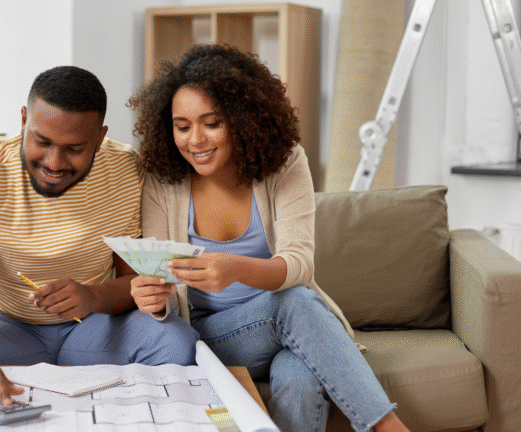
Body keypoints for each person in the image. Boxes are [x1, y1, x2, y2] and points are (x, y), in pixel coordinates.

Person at [128, 44, 410, 432]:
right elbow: (163, 285)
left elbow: (299, 264)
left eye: (212, 123)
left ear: (243, 120)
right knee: (291, 303)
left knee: (298, 379)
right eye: (182, 126)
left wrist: (236, 268)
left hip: (290, 328)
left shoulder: (285, 163)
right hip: (215, 335)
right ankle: (389, 426)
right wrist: (152, 300)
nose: (195, 140)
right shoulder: (163, 181)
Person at [0, 65, 199, 432]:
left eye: (74, 149)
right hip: (7, 325)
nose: (54, 163)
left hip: (95, 325)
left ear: (99, 137)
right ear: (24, 120)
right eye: (42, 142)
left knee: (176, 344)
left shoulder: (127, 171)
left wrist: (92, 296)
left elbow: (135, 284)